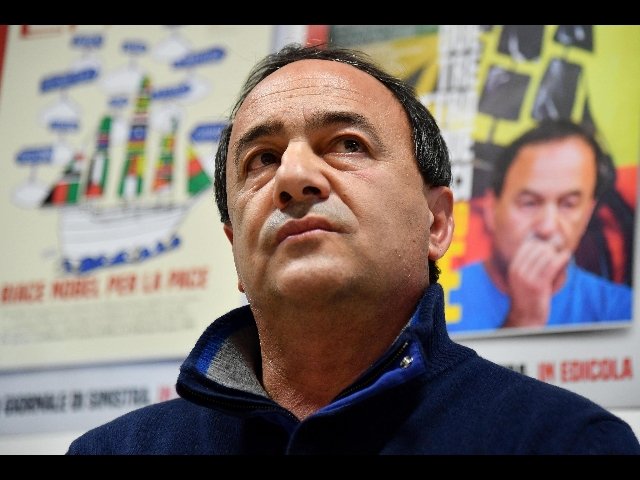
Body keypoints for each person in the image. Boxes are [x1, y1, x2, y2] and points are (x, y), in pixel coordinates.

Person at [66, 44, 640, 454]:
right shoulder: (114, 451)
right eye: (262, 159)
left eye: (347, 144)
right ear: (235, 246)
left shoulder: (565, 441)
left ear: (437, 223)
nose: (294, 176)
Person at [448, 120, 633, 334]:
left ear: (587, 214)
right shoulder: (437, 303)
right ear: (491, 209)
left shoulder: (622, 309)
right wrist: (522, 320)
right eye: (529, 203)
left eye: (568, 204)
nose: (547, 227)